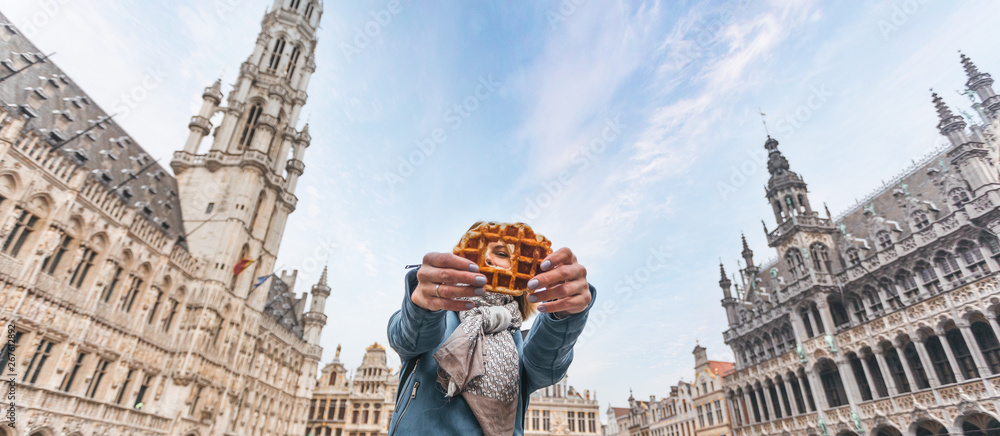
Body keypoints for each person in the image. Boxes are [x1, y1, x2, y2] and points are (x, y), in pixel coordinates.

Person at [387, 222, 596, 436]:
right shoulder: (433, 317)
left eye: (501, 253)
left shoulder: (520, 341)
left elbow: (547, 366)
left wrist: (564, 313)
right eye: (477, 251)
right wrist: (421, 305)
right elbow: (406, 335)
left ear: (523, 271)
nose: (486, 258)